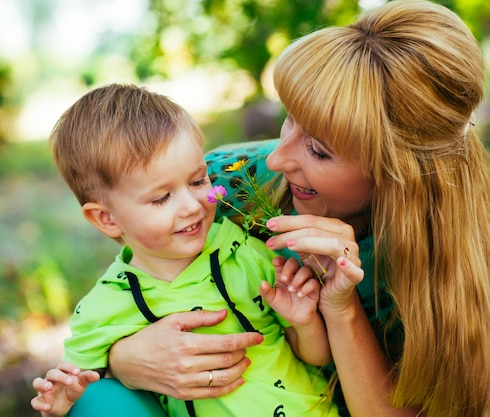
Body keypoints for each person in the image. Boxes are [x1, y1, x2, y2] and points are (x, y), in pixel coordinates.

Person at [63, 1, 490, 416]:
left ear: (398, 172)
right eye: (290, 118)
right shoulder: (227, 182)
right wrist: (125, 359)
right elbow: (148, 271)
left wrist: (340, 308)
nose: (276, 159)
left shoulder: (462, 258)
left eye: (318, 150)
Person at [30, 83, 340, 417]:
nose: (192, 206)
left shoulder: (245, 253)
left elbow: (317, 356)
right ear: (105, 219)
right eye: (161, 198)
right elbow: (81, 390)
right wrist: (60, 402)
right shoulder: (106, 306)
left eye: (197, 181)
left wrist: (305, 323)